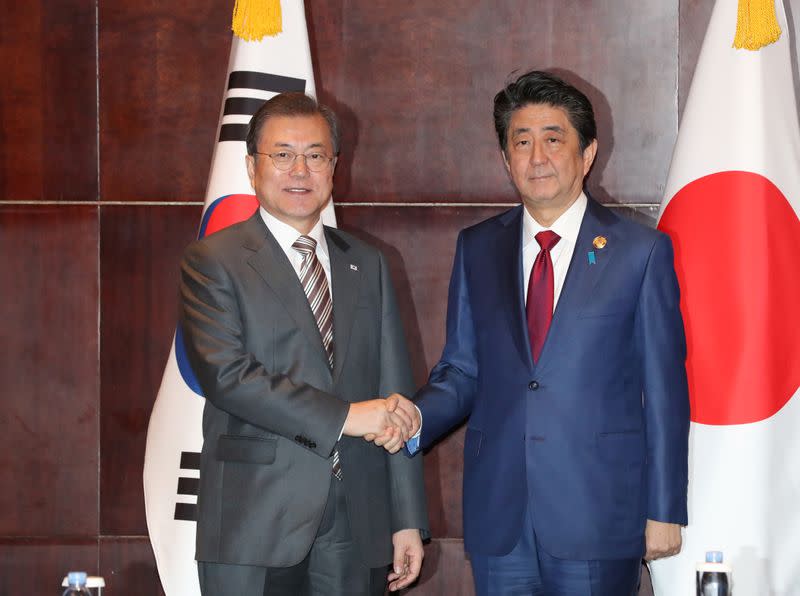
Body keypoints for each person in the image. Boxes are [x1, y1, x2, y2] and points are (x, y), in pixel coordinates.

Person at [403, 70, 690, 595]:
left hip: (598, 513)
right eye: (522, 141)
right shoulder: (478, 248)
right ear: (505, 158)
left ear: (587, 154)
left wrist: (664, 508)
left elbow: (666, 389)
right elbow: (463, 368)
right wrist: (414, 418)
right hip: (501, 517)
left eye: (554, 140)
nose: (537, 157)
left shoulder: (639, 252)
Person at [179, 92, 428, 596]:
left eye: (315, 155)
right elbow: (226, 376)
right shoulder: (213, 261)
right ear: (252, 167)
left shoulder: (368, 261)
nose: (300, 170)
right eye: (283, 154)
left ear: (334, 166)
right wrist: (345, 417)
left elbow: (394, 393)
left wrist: (406, 518)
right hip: (254, 520)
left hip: (355, 520)